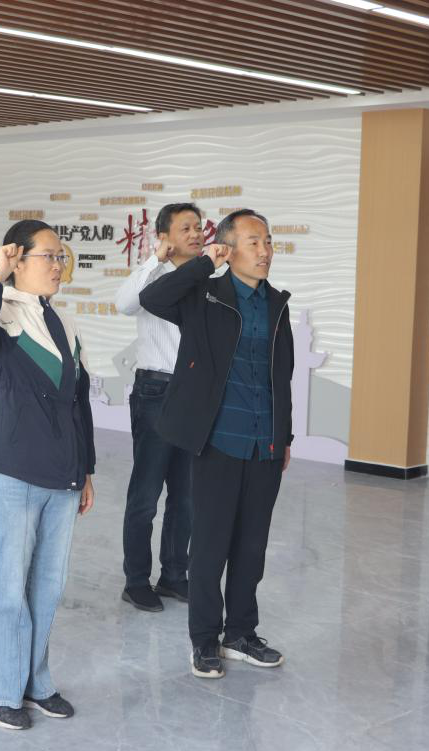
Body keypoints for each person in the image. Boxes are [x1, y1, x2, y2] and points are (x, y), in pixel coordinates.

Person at [0, 220, 96, 731]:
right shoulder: (2, 311)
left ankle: (34, 682)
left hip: (62, 473)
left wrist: (85, 468)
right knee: (6, 586)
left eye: (61, 256)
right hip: (11, 469)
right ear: (18, 258)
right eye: (47, 256)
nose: (57, 265)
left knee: (46, 587)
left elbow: (78, 403)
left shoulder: (65, 323)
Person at [140, 209, 294, 680]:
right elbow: (152, 297)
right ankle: (204, 639)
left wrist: (283, 436)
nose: (265, 251)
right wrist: (205, 262)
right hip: (217, 441)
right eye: (253, 242)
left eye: (268, 241)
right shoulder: (204, 295)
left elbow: (282, 376)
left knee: (252, 547)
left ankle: (241, 634)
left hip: (264, 444)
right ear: (227, 247)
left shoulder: (277, 304)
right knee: (209, 547)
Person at [114, 203, 203, 613]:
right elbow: (124, 303)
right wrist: (155, 259)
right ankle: (136, 581)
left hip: (193, 395)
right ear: (164, 236)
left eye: (198, 227)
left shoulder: (207, 278)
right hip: (156, 391)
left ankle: (173, 575)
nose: (196, 234)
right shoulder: (153, 277)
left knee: (186, 497)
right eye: (185, 228)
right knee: (147, 494)